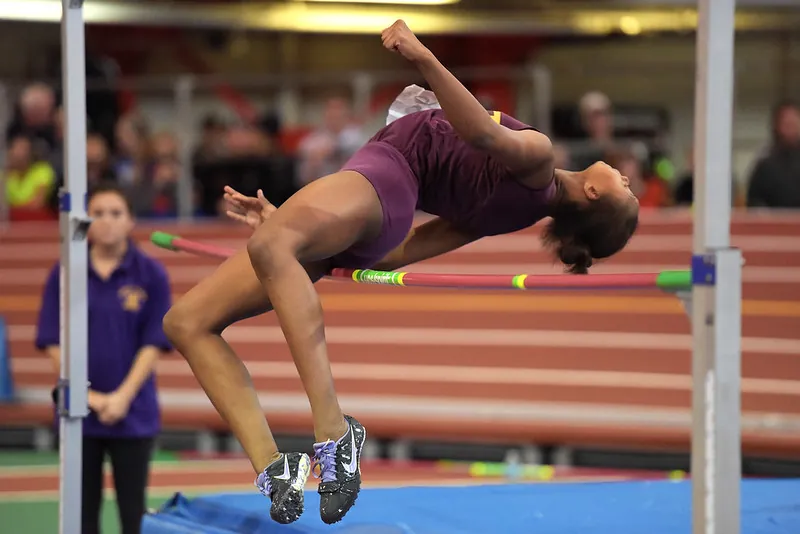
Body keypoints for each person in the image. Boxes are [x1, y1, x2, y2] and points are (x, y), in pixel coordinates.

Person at [162, 20, 639, 527]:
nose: (626, 176)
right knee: (186, 321)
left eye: (625, 189)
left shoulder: (538, 157)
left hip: (387, 176)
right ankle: (276, 470)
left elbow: (477, 130)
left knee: (271, 245)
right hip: (375, 210)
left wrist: (423, 56)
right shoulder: (514, 211)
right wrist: (296, 229)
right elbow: (394, 253)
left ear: (593, 196)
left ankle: (333, 433)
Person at [35, 184, 173, 534]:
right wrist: (89, 398)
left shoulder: (152, 274)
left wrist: (121, 397)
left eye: (116, 213)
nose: (107, 221)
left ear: (130, 221)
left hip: (133, 411)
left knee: (133, 514)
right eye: (97, 213)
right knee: (81, 516)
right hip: (79, 414)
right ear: (85, 221)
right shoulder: (65, 273)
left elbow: (154, 343)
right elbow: (53, 340)